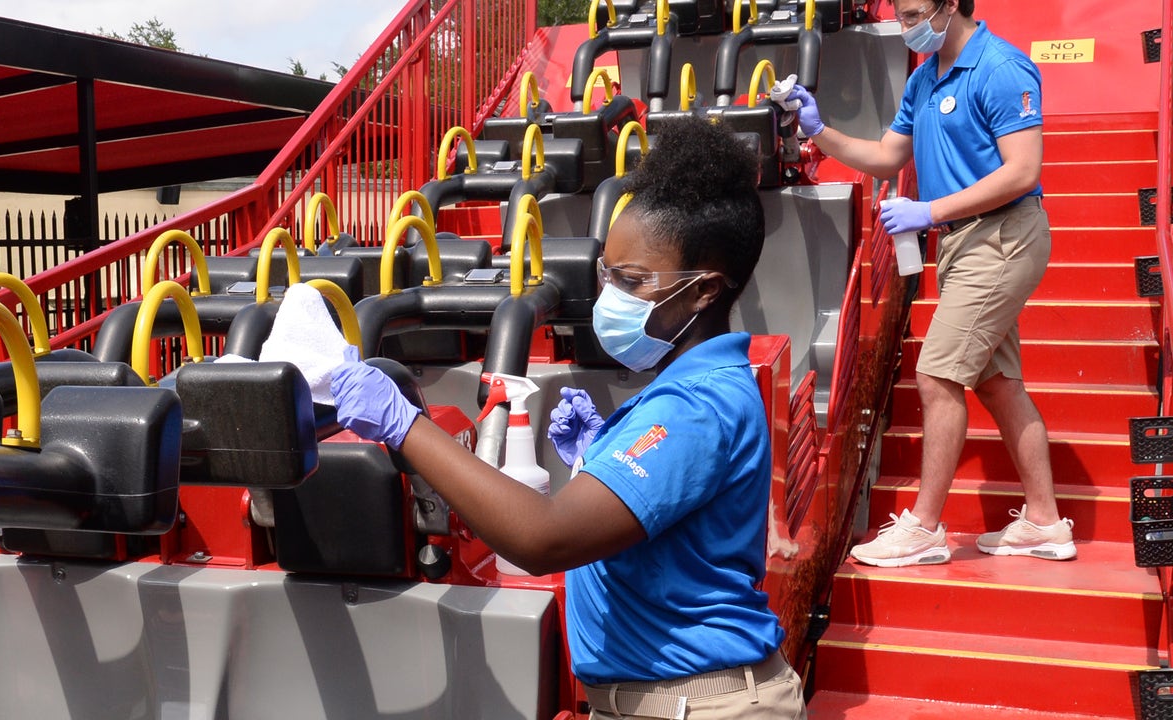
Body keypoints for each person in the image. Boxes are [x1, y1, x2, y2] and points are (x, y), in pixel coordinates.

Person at [330, 115, 807, 719]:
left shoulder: (696, 407)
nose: (608, 295)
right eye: (606, 273)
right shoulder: (688, 389)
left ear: (704, 290)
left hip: (700, 704)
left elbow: (542, 539)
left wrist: (403, 425)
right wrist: (597, 461)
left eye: (632, 281)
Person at [788, 0, 1075, 567]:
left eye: (915, 10)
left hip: (1002, 236)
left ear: (950, 5)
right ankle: (1044, 521)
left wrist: (929, 210)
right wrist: (819, 131)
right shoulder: (924, 76)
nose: (904, 23)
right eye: (899, 11)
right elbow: (885, 155)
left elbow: (1022, 170)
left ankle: (924, 527)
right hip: (964, 242)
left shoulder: (1001, 67)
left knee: (938, 372)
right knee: (997, 383)